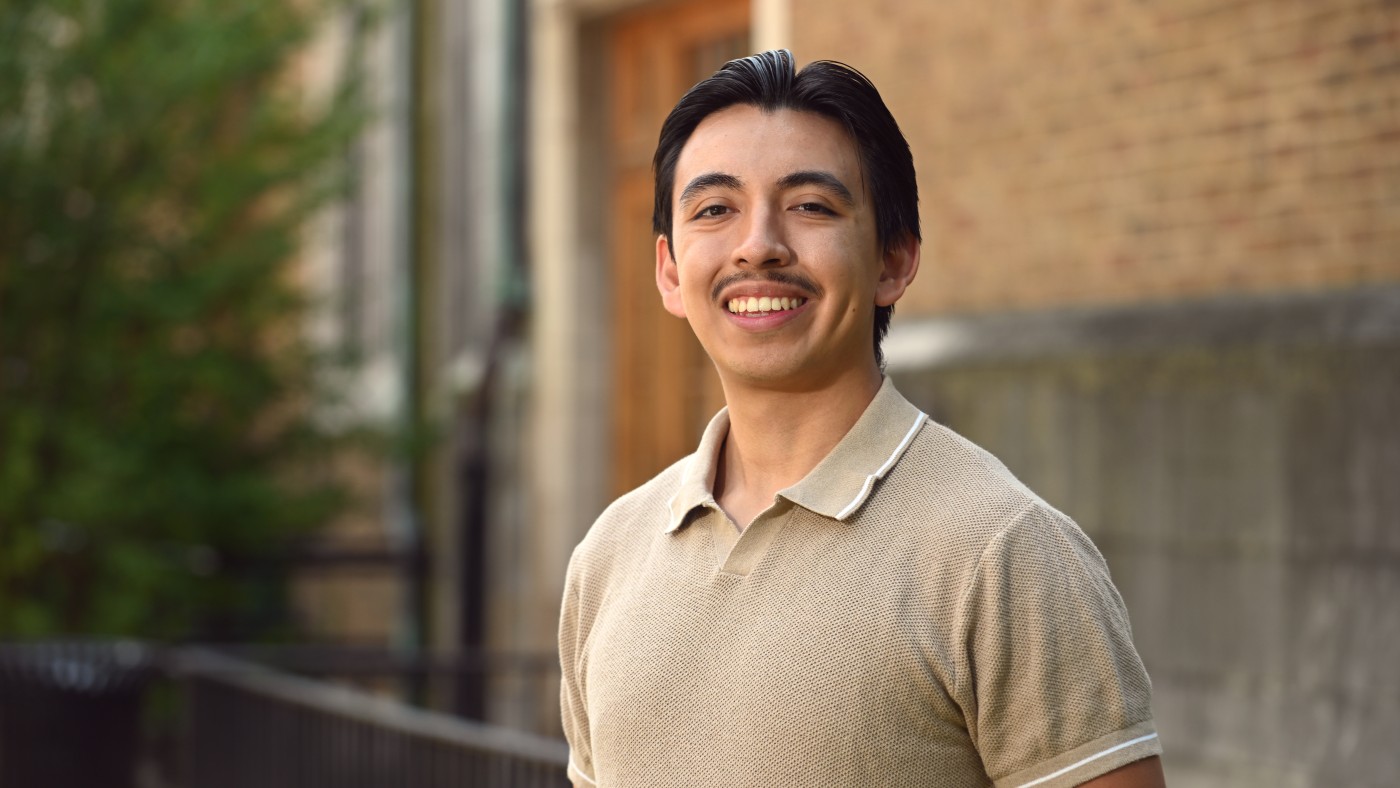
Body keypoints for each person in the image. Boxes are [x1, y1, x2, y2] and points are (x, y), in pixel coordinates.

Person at [558, 49, 1165, 787]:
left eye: (811, 206)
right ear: (668, 271)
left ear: (894, 260)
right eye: (715, 209)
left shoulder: (1005, 553)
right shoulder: (608, 559)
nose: (758, 246)